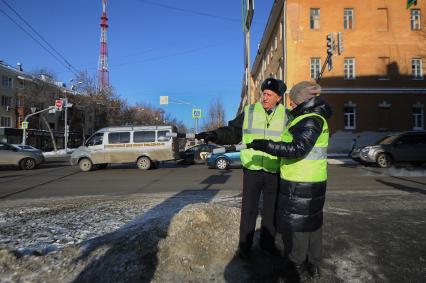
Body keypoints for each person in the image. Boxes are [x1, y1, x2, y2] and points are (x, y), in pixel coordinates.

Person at [246, 81, 332, 280]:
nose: (291, 105)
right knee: (313, 222)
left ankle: (295, 263)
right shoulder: (310, 118)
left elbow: (296, 149)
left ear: (302, 100)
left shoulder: (310, 120)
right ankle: (314, 263)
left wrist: (266, 145)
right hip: (312, 177)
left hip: (301, 180)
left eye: (293, 102)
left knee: (298, 225)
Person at [196, 78, 287, 259]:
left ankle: (267, 245)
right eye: (263, 93)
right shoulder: (250, 111)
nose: (265, 97)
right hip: (252, 168)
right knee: (249, 210)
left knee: (271, 211)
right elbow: (232, 132)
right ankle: (244, 247)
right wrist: (214, 135)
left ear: (279, 97)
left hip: (274, 170)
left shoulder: (287, 116)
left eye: (269, 94)